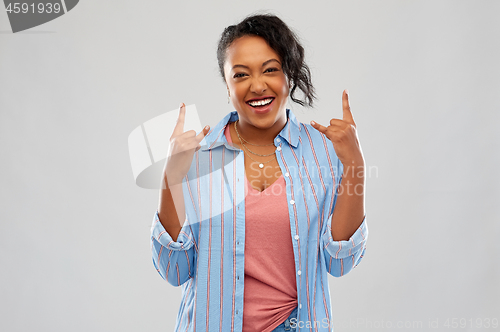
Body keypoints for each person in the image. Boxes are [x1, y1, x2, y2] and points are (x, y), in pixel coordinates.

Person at [150, 13, 368, 332]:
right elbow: (174, 270)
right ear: (227, 86)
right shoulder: (198, 156)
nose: (257, 85)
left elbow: (340, 262)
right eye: (241, 75)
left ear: (288, 76)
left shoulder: (325, 151)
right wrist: (172, 176)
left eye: (270, 70)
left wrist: (355, 166)